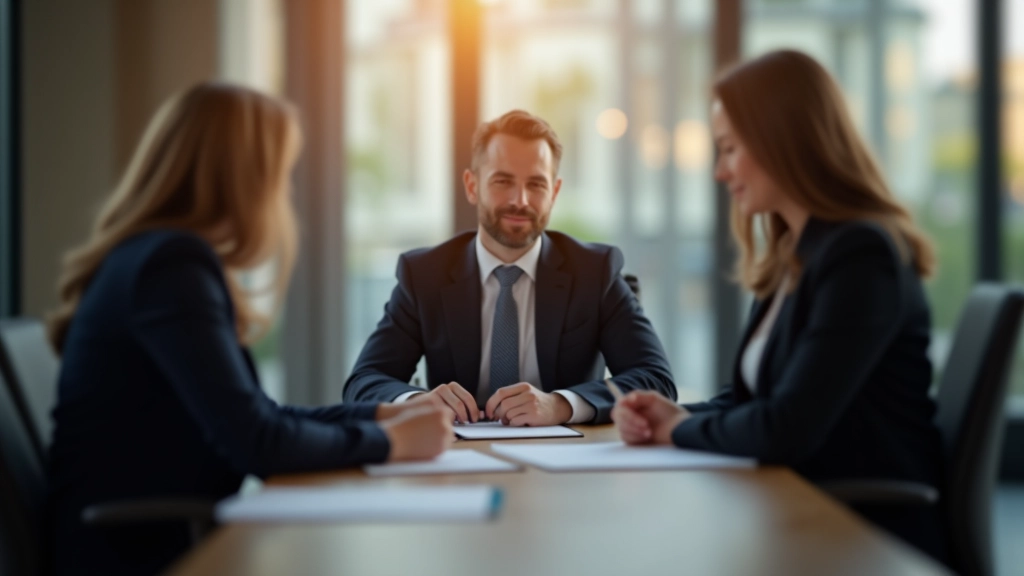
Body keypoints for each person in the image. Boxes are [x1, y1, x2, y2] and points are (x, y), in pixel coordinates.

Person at [45, 83, 452, 576]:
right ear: (244, 179)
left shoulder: (152, 257)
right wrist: (392, 443)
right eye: (281, 177)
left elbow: (257, 416)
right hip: (143, 553)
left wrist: (378, 416)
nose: (284, 195)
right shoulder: (171, 267)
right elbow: (256, 442)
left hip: (154, 537)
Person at [611, 50, 946, 562]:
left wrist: (675, 429)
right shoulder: (795, 253)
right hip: (796, 509)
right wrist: (675, 413)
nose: (721, 173)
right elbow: (757, 399)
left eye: (729, 149)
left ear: (781, 141)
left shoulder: (861, 256)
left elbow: (785, 427)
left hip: (858, 535)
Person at [343, 110, 675, 426]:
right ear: (472, 186)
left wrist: (561, 404)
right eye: (503, 181)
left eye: (536, 184)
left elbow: (655, 380)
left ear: (554, 192)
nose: (521, 200)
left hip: (569, 465)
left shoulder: (595, 272)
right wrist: (417, 402)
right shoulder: (424, 275)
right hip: (459, 461)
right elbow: (365, 382)